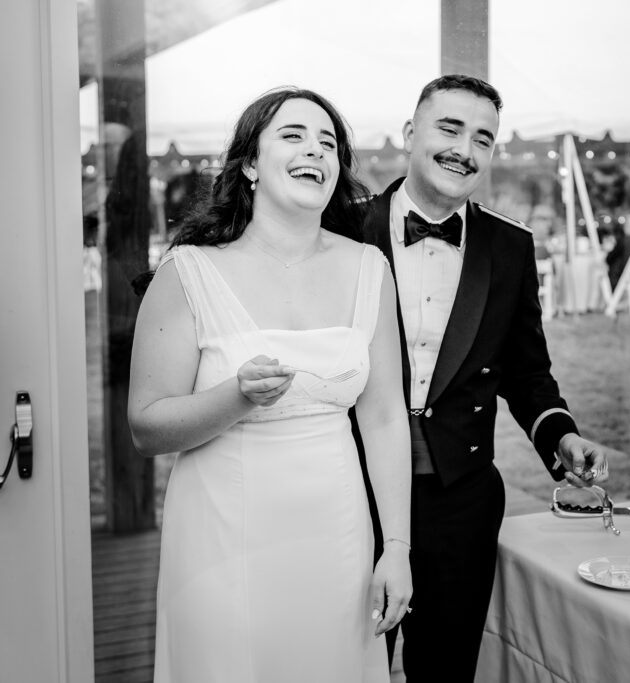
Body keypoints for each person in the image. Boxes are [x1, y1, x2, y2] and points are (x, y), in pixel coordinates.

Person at [127, 87, 412, 682]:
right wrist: (236, 396)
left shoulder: (369, 269)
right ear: (250, 164)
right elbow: (147, 426)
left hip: (336, 535)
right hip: (220, 537)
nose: (315, 150)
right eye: (293, 135)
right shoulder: (190, 272)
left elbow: (384, 417)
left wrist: (397, 549)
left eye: (328, 142)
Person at [358, 74, 612, 682]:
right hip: (352, 490)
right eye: (449, 128)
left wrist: (561, 436)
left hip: (461, 500)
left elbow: (527, 371)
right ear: (410, 133)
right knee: (344, 664)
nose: (464, 150)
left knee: (445, 671)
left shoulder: (511, 248)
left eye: (483, 138)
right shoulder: (340, 230)